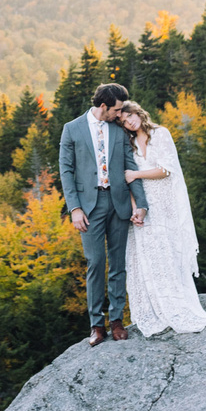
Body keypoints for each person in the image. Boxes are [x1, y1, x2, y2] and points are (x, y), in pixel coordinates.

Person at [119, 99, 206, 336]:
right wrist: (135, 208)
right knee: (148, 254)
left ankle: (176, 304)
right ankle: (156, 309)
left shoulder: (160, 134)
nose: (129, 122)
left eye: (130, 116)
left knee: (167, 250)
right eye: (124, 121)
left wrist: (136, 173)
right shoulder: (130, 143)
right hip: (145, 203)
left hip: (166, 202)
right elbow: (129, 182)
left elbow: (167, 169)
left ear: (138, 112)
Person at [58, 84, 149, 347]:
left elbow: (130, 166)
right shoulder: (71, 129)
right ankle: (96, 326)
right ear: (103, 107)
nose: (120, 114)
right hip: (88, 207)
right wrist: (74, 208)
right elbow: (66, 171)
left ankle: (117, 320)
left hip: (119, 202)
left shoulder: (117, 130)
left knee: (118, 264)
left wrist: (140, 204)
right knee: (96, 263)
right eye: (117, 109)